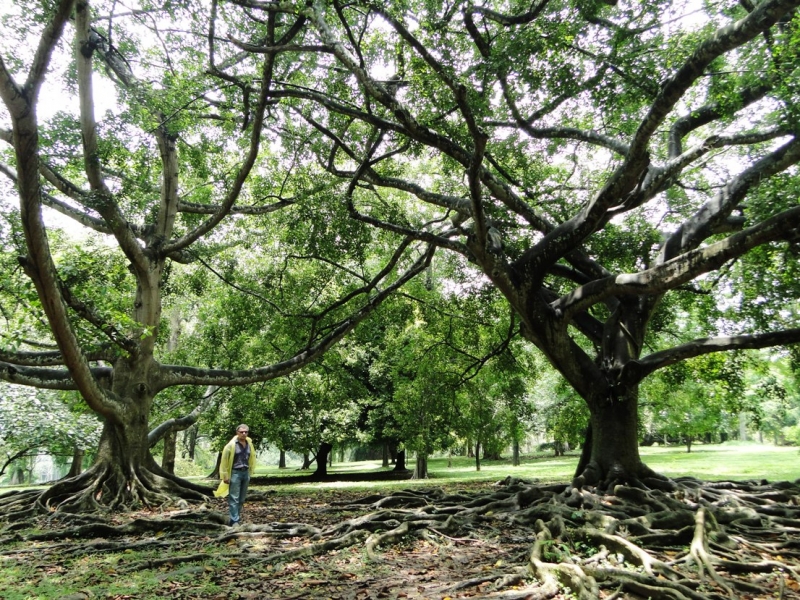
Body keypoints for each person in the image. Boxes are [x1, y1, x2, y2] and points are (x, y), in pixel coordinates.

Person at [219, 424, 256, 526]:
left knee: (242, 498)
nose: (244, 434)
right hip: (235, 473)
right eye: (241, 432)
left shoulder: (249, 444)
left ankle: (236, 518)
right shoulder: (231, 445)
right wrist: (225, 476)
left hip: (245, 472)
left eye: (246, 432)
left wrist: (250, 471)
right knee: (234, 498)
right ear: (237, 433)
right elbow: (224, 461)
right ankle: (234, 520)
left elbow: (252, 457)